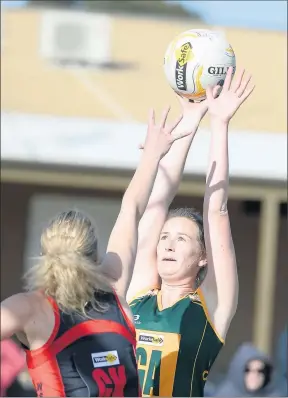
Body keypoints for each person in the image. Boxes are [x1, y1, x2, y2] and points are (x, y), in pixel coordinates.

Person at [0, 107, 185, 398]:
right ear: (95, 255)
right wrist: (152, 154)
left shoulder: (32, 309)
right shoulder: (114, 287)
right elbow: (131, 208)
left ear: (47, 254)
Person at [127, 67, 255, 397]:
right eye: (165, 238)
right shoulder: (139, 299)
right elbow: (157, 202)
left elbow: (217, 211)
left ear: (202, 257)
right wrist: (189, 118)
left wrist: (219, 123)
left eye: (181, 239)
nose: (167, 245)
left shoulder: (209, 307)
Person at [213, 342, 287, 397]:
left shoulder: (275, 395)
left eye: (260, 371)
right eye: (248, 370)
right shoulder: (224, 395)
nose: (255, 375)